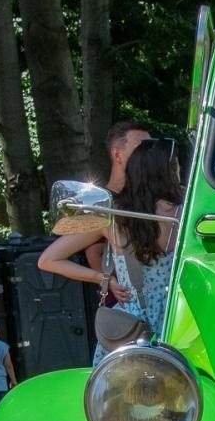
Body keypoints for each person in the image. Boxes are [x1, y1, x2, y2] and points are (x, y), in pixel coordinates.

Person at [39, 137, 180, 343]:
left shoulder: (113, 217)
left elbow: (48, 260)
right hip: (180, 321)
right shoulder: (186, 214)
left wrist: (103, 278)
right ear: (171, 171)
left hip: (131, 330)